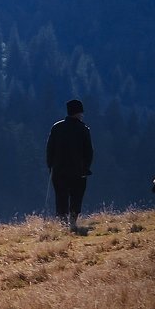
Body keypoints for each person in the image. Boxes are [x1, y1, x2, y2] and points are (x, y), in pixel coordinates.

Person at [46, 99, 93, 233]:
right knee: (76, 196)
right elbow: (89, 151)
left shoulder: (56, 127)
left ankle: (62, 222)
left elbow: (49, 149)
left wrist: (50, 166)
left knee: (61, 196)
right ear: (78, 113)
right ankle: (72, 222)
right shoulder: (83, 129)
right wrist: (86, 167)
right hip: (78, 170)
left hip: (59, 170)